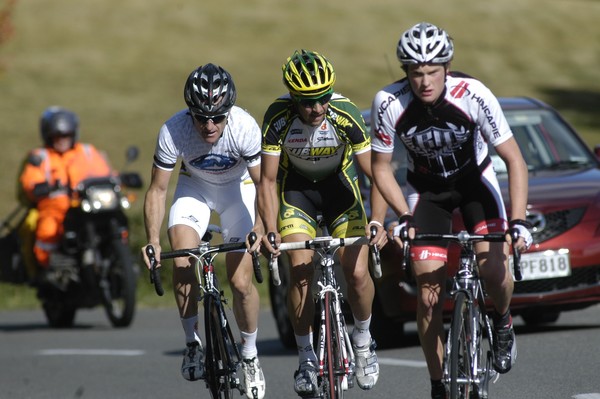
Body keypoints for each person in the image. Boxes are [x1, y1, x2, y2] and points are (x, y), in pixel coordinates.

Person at [370, 22, 533, 399]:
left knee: (493, 270)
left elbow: (515, 160)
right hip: (428, 194)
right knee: (428, 294)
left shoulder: (474, 94)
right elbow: (380, 167)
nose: (424, 81)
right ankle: (438, 383)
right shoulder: (390, 102)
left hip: (476, 185)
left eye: (432, 71)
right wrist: (403, 215)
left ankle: (503, 321)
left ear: (447, 67)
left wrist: (520, 221)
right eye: (416, 73)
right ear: (405, 72)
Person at [258, 49, 388, 397]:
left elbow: (376, 174)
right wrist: (270, 229)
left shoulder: (344, 114)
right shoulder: (277, 118)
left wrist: (378, 220)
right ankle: (305, 357)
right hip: (297, 191)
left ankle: (362, 340)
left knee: (358, 273)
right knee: (299, 271)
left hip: (339, 190)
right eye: (307, 101)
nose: (317, 109)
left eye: (323, 99)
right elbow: (267, 182)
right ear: (293, 97)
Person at [140, 64, 266, 399]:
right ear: (190, 113)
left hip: (238, 192)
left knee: (240, 281)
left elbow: (263, 182)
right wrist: (152, 240)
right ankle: (192, 344)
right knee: (182, 262)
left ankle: (250, 355)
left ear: (229, 112)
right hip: (195, 189)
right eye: (201, 118)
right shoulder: (173, 129)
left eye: (217, 118)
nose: (209, 126)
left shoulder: (245, 126)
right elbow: (157, 190)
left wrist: (261, 225)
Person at [18, 106, 113, 275]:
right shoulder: (40, 156)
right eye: (57, 136)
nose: (62, 140)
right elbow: (30, 181)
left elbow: (105, 173)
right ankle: (49, 266)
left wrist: (121, 178)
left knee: (114, 212)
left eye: (66, 135)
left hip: (86, 203)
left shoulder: (87, 151)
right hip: (56, 206)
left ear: (73, 134)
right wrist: (40, 187)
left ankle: (118, 253)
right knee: (48, 226)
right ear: (48, 135)